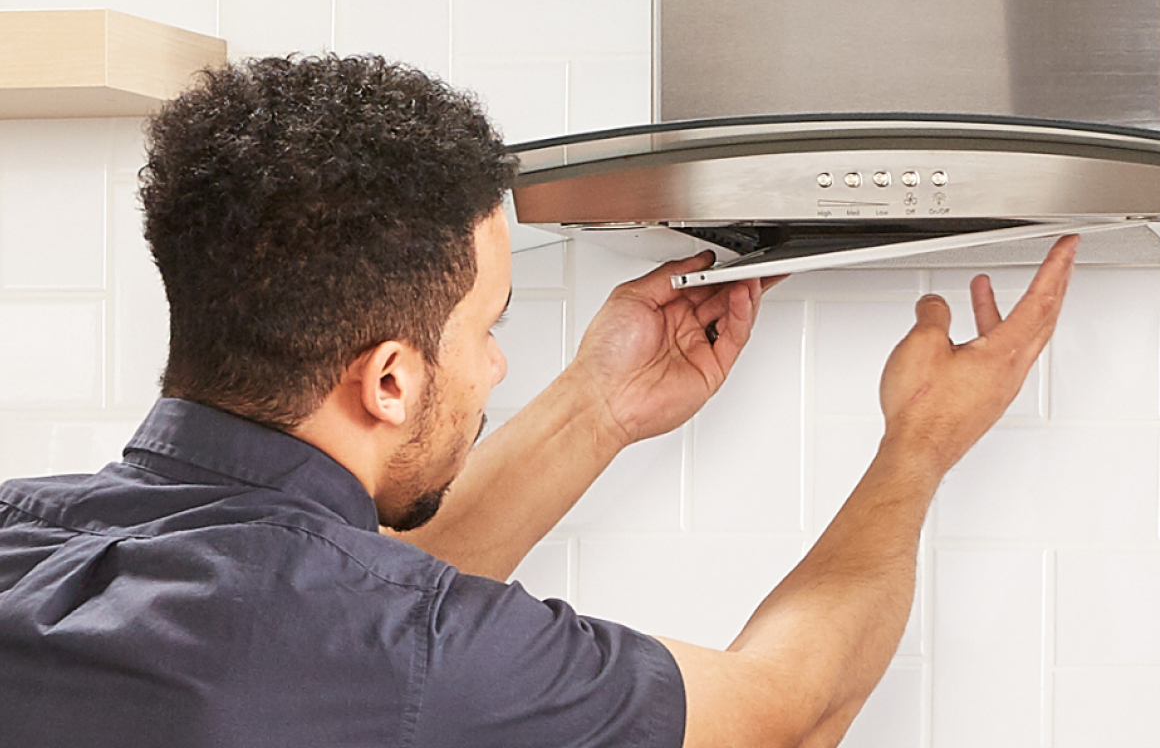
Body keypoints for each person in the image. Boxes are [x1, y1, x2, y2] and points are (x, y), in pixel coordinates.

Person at [0, 55, 1080, 747]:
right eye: (490, 329)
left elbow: (335, 611)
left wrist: (598, 406)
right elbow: (791, 718)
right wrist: (919, 445)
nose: (495, 371)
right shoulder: (389, 646)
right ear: (389, 378)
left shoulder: (27, 539)